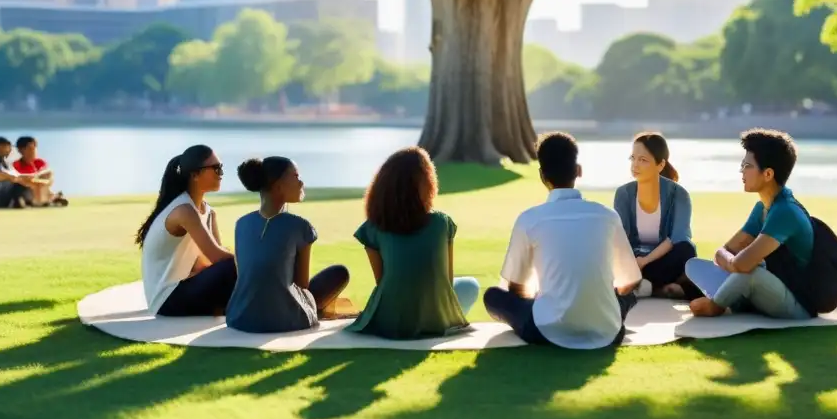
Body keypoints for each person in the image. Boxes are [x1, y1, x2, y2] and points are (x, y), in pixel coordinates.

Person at [484, 132, 642, 349]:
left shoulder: (530, 219)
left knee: (493, 297)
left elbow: (517, 288)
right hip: (608, 331)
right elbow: (630, 281)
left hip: (547, 332)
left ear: (542, 175)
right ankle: (596, 312)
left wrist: (540, 299)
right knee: (628, 297)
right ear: (578, 171)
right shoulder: (607, 216)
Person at [687, 128, 837, 320]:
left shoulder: (785, 212)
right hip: (771, 289)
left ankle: (716, 305)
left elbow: (743, 265)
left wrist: (737, 264)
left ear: (768, 174)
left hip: (798, 305)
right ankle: (732, 296)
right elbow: (724, 251)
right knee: (694, 265)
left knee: (752, 273)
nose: (741, 171)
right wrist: (734, 263)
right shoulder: (762, 208)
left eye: (747, 166)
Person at [347, 147, 479, 340]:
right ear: (427, 183)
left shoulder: (373, 228)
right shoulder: (442, 223)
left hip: (392, 321)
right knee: (470, 285)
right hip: (437, 316)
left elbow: (384, 282)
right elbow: (447, 283)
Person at [226, 156, 351, 334]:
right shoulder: (301, 226)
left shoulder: (241, 223)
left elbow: (243, 275)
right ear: (278, 186)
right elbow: (302, 283)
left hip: (240, 318)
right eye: (296, 176)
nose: (301, 183)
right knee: (339, 273)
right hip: (286, 321)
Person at [138, 145, 237, 316]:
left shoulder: (209, 212)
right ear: (194, 175)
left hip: (185, 288)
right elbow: (218, 257)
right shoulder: (184, 211)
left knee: (233, 270)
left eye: (221, 168)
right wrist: (256, 262)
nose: (221, 174)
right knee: (234, 267)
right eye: (216, 168)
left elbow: (211, 262)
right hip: (166, 301)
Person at [613, 132, 697, 299]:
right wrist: (633, 261)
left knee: (686, 249)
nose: (635, 165)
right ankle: (657, 286)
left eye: (643, 160)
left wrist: (644, 262)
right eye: (633, 158)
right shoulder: (624, 193)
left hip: (663, 258)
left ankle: (642, 285)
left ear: (660, 165)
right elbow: (621, 237)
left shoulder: (678, 195)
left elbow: (677, 237)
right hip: (634, 257)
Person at [0, 136, 34, 209]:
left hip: (3, 197)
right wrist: (17, 178)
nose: (10, 149)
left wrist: (27, 178)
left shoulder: (5, 163)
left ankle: (27, 203)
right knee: (18, 183)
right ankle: (19, 205)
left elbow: (16, 176)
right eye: (7, 146)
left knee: (25, 184)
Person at [13, 136, 68, 207]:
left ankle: (48, 200)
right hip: (26, 192)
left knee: (45, 179)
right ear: (20, 150)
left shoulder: (40, 163)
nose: (33, 150)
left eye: (35, 147)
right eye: (30, 148)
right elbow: (19, 180)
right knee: (33, 183)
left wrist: (36, 178)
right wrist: (35, 178)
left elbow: (47, 176)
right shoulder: (16, 164)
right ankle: (49, 200)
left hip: (41, 189)